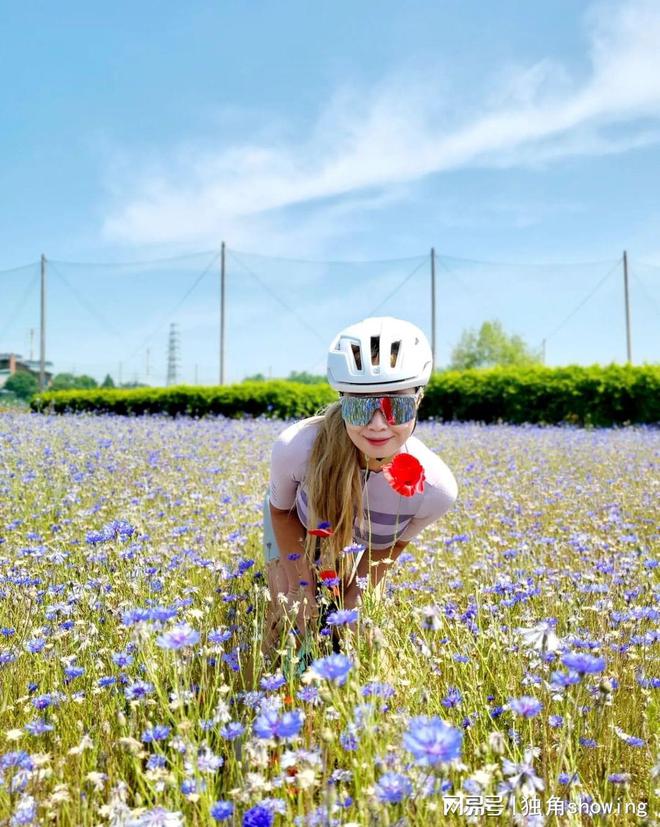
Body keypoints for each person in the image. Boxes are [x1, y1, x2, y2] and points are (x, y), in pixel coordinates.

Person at [261, 316, 458, 658]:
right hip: (298, 526)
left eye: (397, 405)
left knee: (357, 627)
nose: (378, 424)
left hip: (354, 543)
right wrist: (302, 585)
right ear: (342, 402)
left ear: (419, 400)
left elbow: (389, 546)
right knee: (293, 617)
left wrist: (356, 594)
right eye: (359, 406)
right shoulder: (297, 449)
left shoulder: (436, 489)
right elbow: (281, 512)